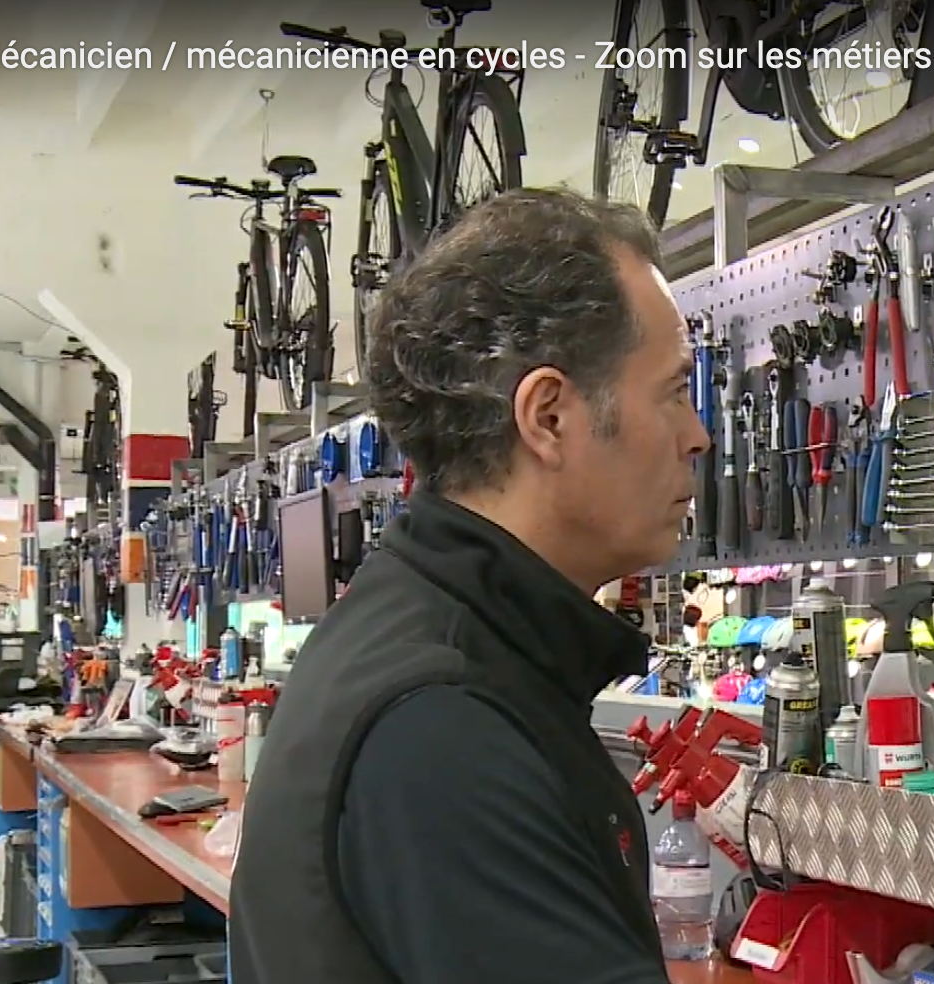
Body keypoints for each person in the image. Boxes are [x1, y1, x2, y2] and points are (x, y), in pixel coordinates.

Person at [229, 188, 710, 984]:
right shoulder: (444, 726)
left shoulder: (436, 641)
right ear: (548, 417)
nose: (698, 435)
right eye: (673, 391)